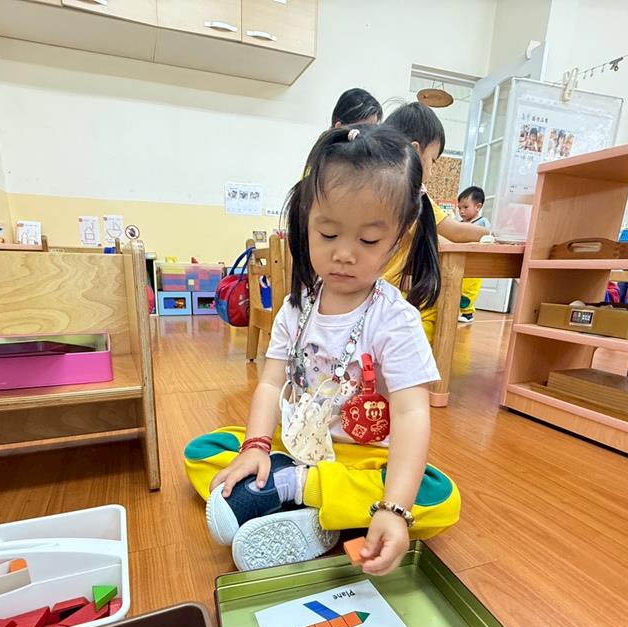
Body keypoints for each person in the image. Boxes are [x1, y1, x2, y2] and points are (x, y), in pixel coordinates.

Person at [184, 125, 460, 576]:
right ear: (305, 222)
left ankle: (294, 494)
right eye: (328, 234)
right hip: (294, 446)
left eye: (368, 241)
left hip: (362, 460)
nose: (344, 254)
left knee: (438, 497)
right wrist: (255, 446)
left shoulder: (395, 319)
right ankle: (319, 511)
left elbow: (412, 414)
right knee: (204, 450)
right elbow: (270, 383)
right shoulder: (296, 307)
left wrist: (394, 508)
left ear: (400, 237)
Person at [381, 102, 486, 341]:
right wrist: (493, 233)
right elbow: (454, 232)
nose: (432, 169)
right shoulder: (412, 195)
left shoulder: (380, 187)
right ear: (415, 151)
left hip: (377, 289)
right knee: (435, 307)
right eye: (433, 160)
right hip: (386, 294)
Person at [456, 186, 492, 324]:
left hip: (474, 263)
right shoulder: (460, 224)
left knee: (469, 289)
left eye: (466, 207)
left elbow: (488, 239)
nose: (462, 211)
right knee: (456, 287)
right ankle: (456, 310)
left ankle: (468, 312)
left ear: (478, 207)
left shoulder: (482, 223)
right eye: (459, 208)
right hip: (460, 262)